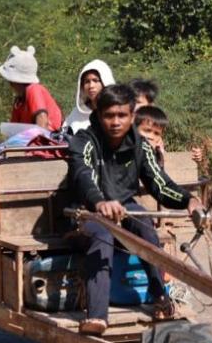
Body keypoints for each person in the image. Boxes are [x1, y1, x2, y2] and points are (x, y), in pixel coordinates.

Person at [67, 85, 204, 336]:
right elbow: (82, 174)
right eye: (109, 115)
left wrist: (188, 200)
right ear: (99, 116)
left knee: (146, 228)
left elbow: (159, 182)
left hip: (125, 208)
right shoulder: (84, 141)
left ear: (132, 116)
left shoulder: (139, 144)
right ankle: (97, 315)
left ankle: (159, 297)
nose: (116, 122)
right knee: (103, 234)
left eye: (122, 115)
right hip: (85, 212)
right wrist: (99, 202)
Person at [0, 45, 63, 131]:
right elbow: (14, 130)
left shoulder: (34, 90)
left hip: (50, 141)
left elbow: (42, 121)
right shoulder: (19, 101)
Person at [134, 106, 203, 165]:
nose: (151, 136)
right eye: (147, 131)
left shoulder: (158, 150)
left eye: (156, 133)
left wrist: (193, 158)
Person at [62, 59, 115, 135]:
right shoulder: (77, 113)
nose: (91, 86)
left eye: (95, 80)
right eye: (87, 82)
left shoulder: (117, 111)